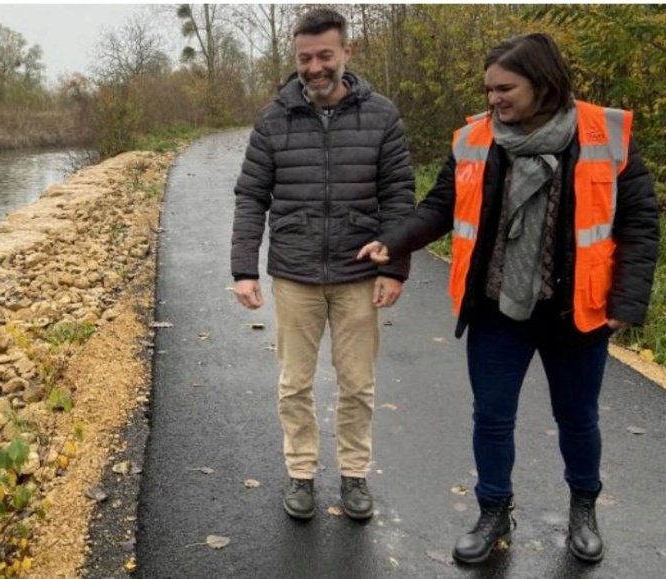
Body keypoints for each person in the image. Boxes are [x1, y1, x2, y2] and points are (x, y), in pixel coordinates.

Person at [358, 33, 659, 563]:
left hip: (576, 312)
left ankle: (583, 509)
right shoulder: (476, 138)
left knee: (579, 418)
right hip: (497, 310)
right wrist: (395, 240)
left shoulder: (604, 133)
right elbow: (439, 206)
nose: (494, 99)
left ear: (542, 82)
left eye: (505, 88)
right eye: (489, 89)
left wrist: (627, 303)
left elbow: (639, 223)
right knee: (492, 417)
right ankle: (493, 511)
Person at [231, 8, 415, 521]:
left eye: (324, 55)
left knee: (357, 384)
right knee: (294, 384)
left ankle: (354, 476)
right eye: (304, 58)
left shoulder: (381, 115)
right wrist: (244, 268)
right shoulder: (273, 119)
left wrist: (394, 267)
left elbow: (399, 196)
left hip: (360, 275)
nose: (314, 67)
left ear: (346, 53)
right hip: (294, 275)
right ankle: (302, 474)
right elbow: (251, 196)